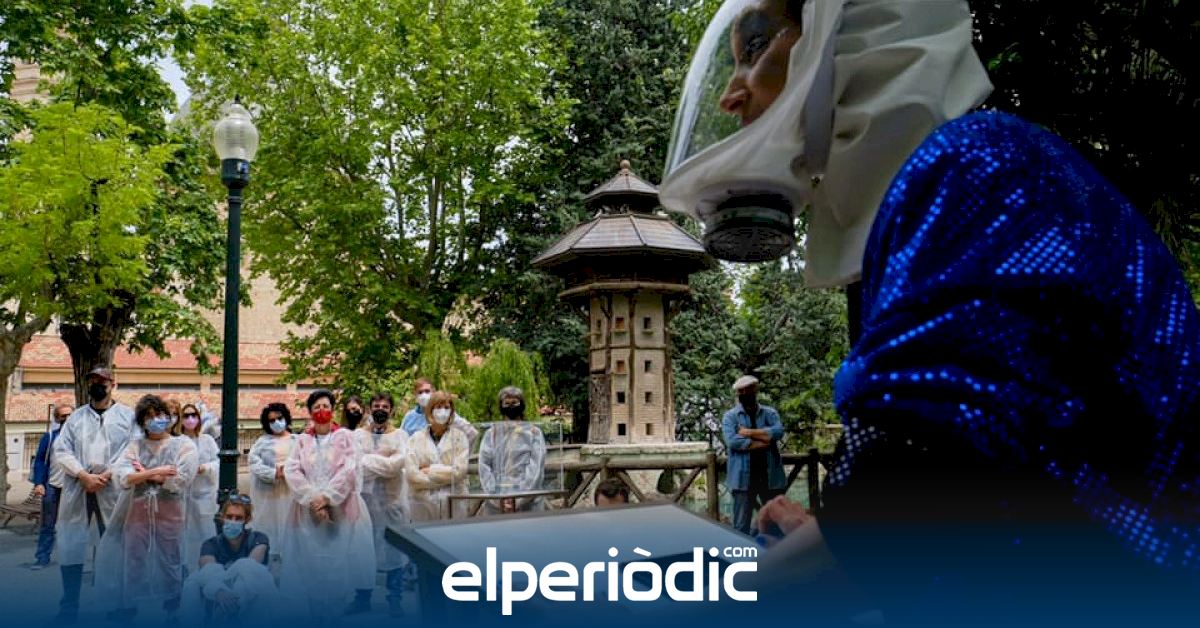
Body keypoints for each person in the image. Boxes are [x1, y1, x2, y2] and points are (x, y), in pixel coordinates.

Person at [659, 0, 1200, 623]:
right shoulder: (954, 181)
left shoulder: (972, 165)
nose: (730, 96)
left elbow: (904, 515)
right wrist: (833, 534)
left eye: (756, 49)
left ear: (850, 26)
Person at [93, 394, 198, 621]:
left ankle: (172, 606)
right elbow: (122, 475)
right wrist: (156, 473)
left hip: (171, 512)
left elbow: (181, 479)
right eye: (149, 416)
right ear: (142, 422)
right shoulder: (135, 446)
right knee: (134, 559)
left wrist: (143, 474)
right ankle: (129, 607)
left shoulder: (183, 445)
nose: (156, 420)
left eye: (159, 414)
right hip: (137, 512)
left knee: (170, 558)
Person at [50, 366, 138, 623]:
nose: (98, 384)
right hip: (78, 488)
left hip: (113, 488)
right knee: (71, 544)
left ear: (113, 384)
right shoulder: (76, 418)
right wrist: (82, 475)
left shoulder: (127, 417)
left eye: (103, 380)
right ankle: (69, 607)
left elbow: (133, 449)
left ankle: (118, 605)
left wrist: (108, 474)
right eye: (93, 381)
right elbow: (61, 450)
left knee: (115, 546)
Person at [280, 389, 375, 621]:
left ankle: (334, 615)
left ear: (332, 410)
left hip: (340, 512)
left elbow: (350, 470)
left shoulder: (345, 437)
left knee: (338, 566)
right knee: (309, 566)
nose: (321, 411)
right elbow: (292, 469)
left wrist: (328, 498)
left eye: (325, 406)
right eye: (316, 407)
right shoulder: (302, 441)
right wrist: (313, 498)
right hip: (308, 513)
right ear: (310, 412)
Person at [180, 496, 281, 627]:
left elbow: (250, 569)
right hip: (218, 594)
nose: (233, 521)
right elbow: (207, 572)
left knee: (247, 570)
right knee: (193, 582)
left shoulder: (258, 539)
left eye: (238, 518)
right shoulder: (211, 544)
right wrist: (220, 592)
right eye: (229, 516)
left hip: (249, 596)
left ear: (247, 519)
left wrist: (232, 600)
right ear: (223, 517)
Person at [350, 391, 409, 617]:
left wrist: (367, 461)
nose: (380, 410)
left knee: (395, 553)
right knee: (362, 552)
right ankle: (362, 599)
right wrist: (384, 460)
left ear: (391, 410)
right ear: (369, 409)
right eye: (376, 406)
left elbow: (396, 466)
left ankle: (395, 599)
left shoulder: (400, 436)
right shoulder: (358, 436)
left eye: (385, 406)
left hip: (392, 504)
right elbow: (355, 465)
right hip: (365, 505)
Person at [722, 375, 785, 535]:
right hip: (742, 480)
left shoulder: (770, 413)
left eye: (748, 390)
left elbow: (778, 432)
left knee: (775, 524)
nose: (744, 394)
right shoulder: (730, 416)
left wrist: (748, 432)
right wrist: (762, 441)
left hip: (770, 477)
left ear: (755, 390)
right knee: (741, 526)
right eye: (741, 391)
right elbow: (732, 441)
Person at [478, 386, 546, 515]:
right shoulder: (491, 434)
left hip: (528, 504)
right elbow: (484, 467)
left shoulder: (534, 433)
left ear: (522, 404)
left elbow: (536, 469)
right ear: (501, 406)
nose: (511, 406)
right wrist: (496, 498)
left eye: (514, 403)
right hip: (496, 504)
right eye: (507, 403)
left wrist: (519, 499)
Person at [405, 391, 470, 522]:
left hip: (453, 504)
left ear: (451, 411)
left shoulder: (459, 437)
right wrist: (446, 476)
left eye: (446, 407)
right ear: (430, 410)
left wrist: (430, 470)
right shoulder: (415, 439)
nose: (443, 411)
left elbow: (459, 472)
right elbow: (412, 476)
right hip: (423, 505)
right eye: (438, 407)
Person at [247, 402, 296, 569]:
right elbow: (253, 463)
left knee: (291, 532)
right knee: (269, 532)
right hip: (268, 497)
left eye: (279, 418)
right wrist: (273, 473)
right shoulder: (262, 442)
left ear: (286, 418)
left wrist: (289, 472)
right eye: (272, 420)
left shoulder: (298, 441)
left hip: (291, 494)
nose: (276, 422)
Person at [30, 404, 73, 570]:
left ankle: (70, 560)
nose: (67, 419)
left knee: (72, 526)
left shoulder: (80, 438)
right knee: (47, 525)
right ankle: (42, 558)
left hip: (73, 488)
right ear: (57, 418)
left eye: (70, 415)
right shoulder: (49, 437)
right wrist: (39, 483)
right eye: (63, 416)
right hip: (52, 486)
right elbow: (40, 460)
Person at [178, 402, 220, 569]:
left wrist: (204, 468)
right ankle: (187, 569)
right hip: (182, 496)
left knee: (206, 532)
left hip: (204, 495)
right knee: (185, 535)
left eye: (193, 415)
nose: (190, 419)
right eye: (186, 416)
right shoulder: (177, 442)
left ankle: (209, 568)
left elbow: (218, 462)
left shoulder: (207, 440)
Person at [400, 376, 479, 447]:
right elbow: (401, 441)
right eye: (420, 392)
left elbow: (472, 433)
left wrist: (461, 453)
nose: (424, 395)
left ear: (433, 392)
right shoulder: (409, 417)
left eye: (427, 391)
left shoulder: (443, 414)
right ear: (415, 394)